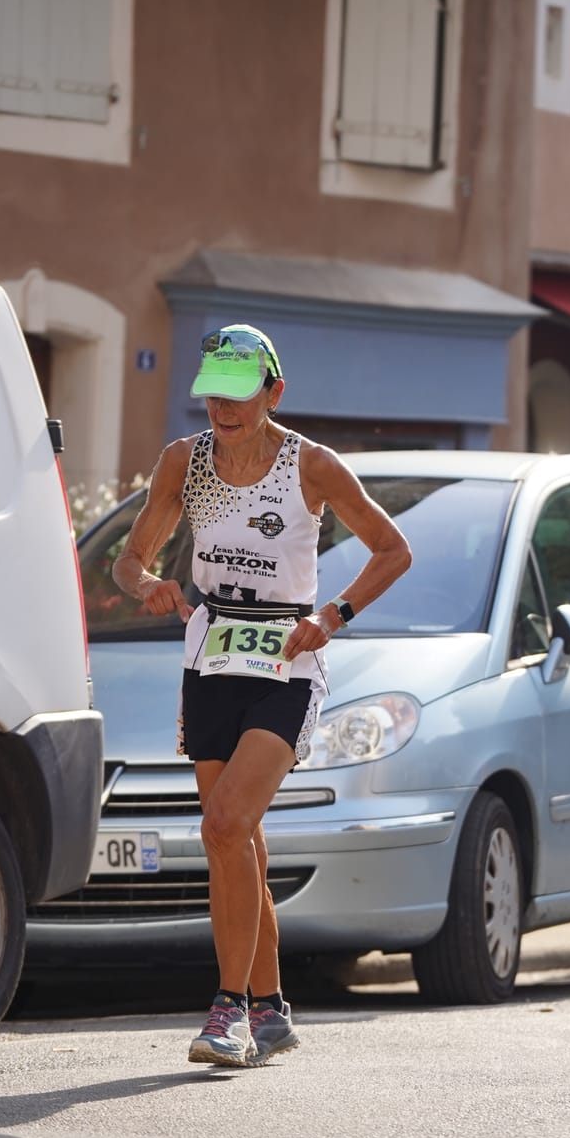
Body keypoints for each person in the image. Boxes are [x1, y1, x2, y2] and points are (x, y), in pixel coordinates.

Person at [113, 325, 412, 1065]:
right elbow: (128, 559)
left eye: (240, 394)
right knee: (236, 839)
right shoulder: (184, 463)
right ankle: (272, 1004)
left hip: (286, 661)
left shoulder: (312, 464)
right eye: (213, 392)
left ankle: (230, 1012)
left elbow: (392, 548)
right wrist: (147, 583)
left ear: (274, 392)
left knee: (223, 824)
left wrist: (331, 616)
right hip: (212, 658)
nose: (223, 407)